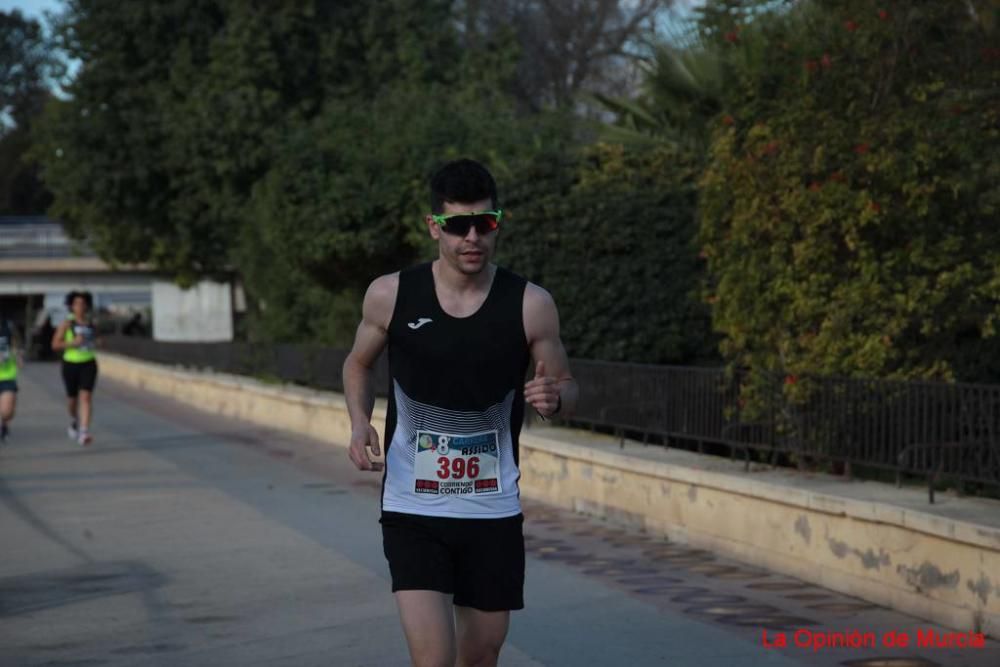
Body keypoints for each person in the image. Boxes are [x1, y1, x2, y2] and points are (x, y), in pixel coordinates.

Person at [343, 158, 578, 667]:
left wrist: (555, 399)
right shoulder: (392, 295)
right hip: (413, 508)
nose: (473, 236)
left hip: (492, 511)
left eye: (485, 223)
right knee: (433, 661)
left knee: (480, 655)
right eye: (458, 225)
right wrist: (359, 422)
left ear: (496, 222)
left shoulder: (530, 304)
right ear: (435, 228)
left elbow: (564, 384)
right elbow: (357, 365)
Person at [51, 291, 99, 446]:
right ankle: (74, 419)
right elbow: (55, 345)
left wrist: (99, 342)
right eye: (77, 303)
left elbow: (97, 340)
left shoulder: (91, 323)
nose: (80, 306)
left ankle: (84, 432)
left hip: (88, 363)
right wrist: (72, 343)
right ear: (71, 306)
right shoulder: (67, 323)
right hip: (70, 364)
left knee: (86, 397)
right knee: (72, 400)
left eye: (83, 303)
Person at [0, 316, 24, 443]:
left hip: (6, 375)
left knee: (7, 412)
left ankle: (4, 423)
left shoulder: (7, 326)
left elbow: (17, 345)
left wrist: (18, 355)